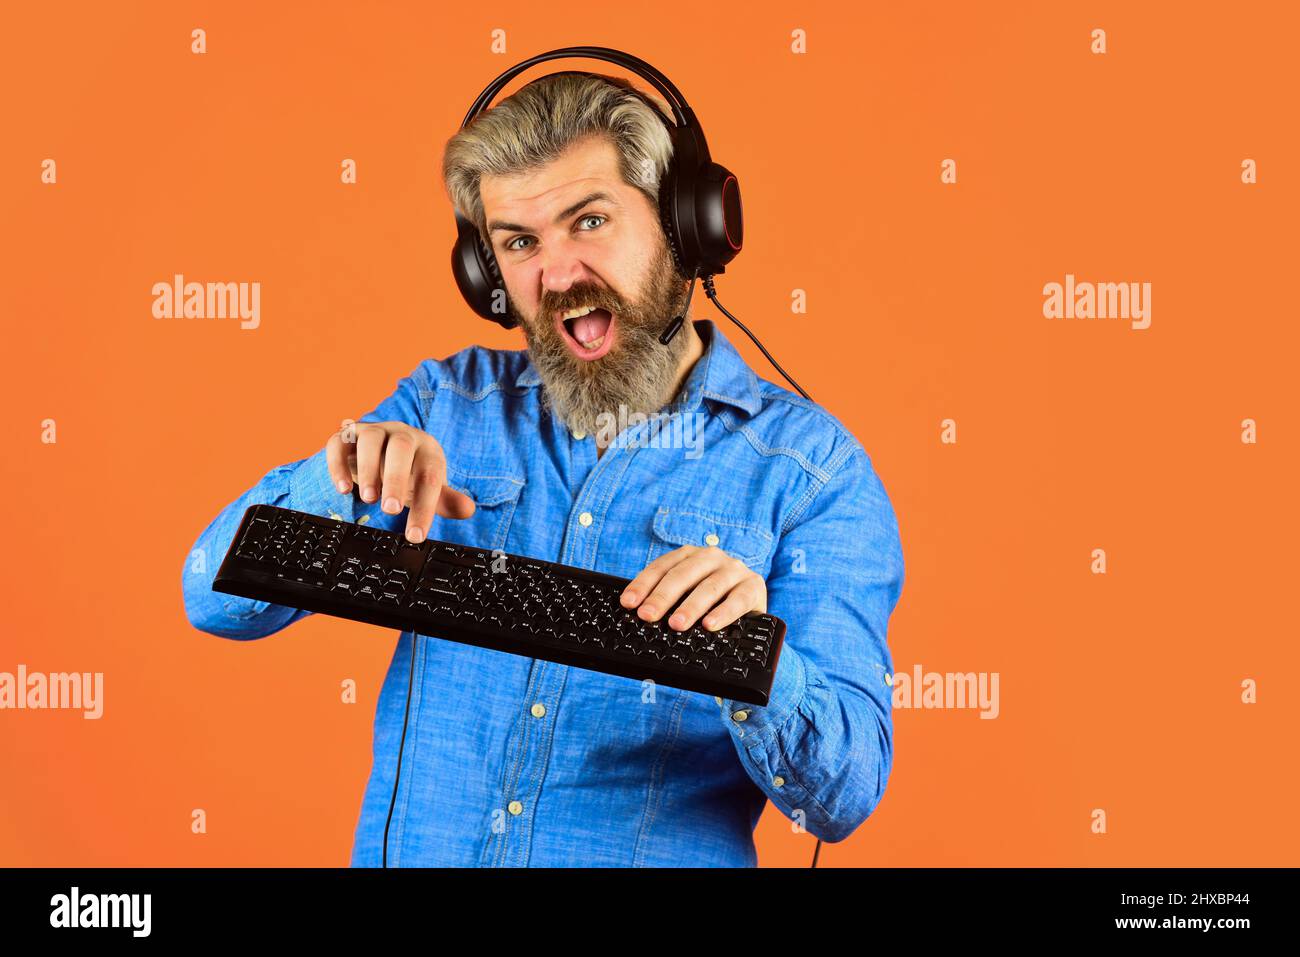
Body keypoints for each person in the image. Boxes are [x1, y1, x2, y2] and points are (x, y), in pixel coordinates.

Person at [182, 71, 905, 867]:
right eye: (519, 242)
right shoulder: (443, 405)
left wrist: (753, 658)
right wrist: (339, 480)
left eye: (588, 220)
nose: (557, 276)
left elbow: (842, 794)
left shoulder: (812, 473)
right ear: (484, 271)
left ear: (682, 224)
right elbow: (210, 597)